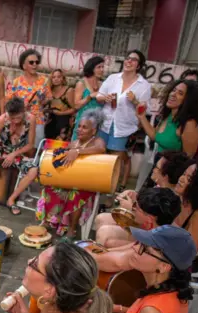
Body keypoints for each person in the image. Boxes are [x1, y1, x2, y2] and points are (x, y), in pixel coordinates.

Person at [36, 109, 107, 237]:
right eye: (79, 126)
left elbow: (101, 149)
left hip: (86, 183)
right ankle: (49, 221)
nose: (79, 129)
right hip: (69, 180)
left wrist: (78, 151)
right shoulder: (73, 143)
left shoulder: (97, 141)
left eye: (84, 127)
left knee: (75, 194)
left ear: (93, 131)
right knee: (51, 187)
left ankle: (71, 229)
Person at [90, 188, 182, 273]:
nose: (132, 209)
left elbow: (118, 262)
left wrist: (86, 255)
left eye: (135, 207)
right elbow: (132, 246)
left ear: (149, 219)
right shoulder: (160, 231)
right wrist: (102, 251)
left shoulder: (151, 248)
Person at [97, 50, 152, 190]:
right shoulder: (113, 78)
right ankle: (101, 185)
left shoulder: (144, 85)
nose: (129, 61)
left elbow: (145, 110)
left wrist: (135, 101)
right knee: (101, 154)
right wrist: (105, 98)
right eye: (128, 58)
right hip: (105, 123)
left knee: (118, 158)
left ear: (138, 65)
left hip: (124, 127)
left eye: (134, 59)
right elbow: (99, 96)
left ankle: (116, 187)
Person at [130, 79, 198, 157]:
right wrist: (142, 117)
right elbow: (154, 136)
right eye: (174, 90)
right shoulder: (169, 115)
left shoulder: (190, 124)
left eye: (180, 93)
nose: (173, 94)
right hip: (158, 161)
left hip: (171, 164)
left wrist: (165, 162)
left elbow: (188, 157)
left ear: (189, 100)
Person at [7, 49, 49, 147]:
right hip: (20, 120)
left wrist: (43, 101)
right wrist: (20, 105)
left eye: (37, 62)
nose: (35, 64)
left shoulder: (44, 81)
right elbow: (8, 100)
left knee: (36, 148)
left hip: (38, 120)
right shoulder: (16, 82)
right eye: (31, 62)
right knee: (18, 147)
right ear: (24, 65)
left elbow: (49, 98)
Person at [72, 56, 105, 142]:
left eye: (103, 67)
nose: (102, 70)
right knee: (78, 146)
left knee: (93, 147)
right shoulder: (82, 83)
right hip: (83, 123)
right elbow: (76, 105)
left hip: (97, 124)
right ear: (91, 68)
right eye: (99, 67)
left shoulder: (102, 84)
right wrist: (90, 97)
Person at [44, 69, 76, 140]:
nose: (56, 79)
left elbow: (74, 109)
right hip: (50, 122)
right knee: (48, 144)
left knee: (60, 144)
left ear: (63, 78)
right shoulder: (49, 91)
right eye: (54, 77)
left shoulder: (69, 90)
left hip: (64, 122)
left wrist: (61, 113)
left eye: (59, 77)